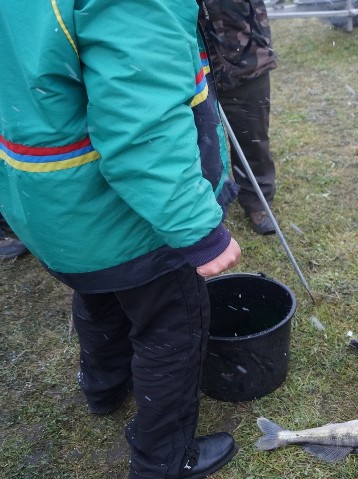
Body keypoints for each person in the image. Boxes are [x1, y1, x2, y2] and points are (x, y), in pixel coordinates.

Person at [1, 1, 242, 478]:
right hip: (122, 210)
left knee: (100, 291)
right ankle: (163, 460)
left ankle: (103, 386)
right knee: (172, 326)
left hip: (48, 201)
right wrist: (196, 227)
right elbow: (141, 121)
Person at [198, 0, 279, 235]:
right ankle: (202, 203)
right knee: (197, 138)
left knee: (251, 134)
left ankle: (257, 199)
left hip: (246, 54)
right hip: (190, 62)